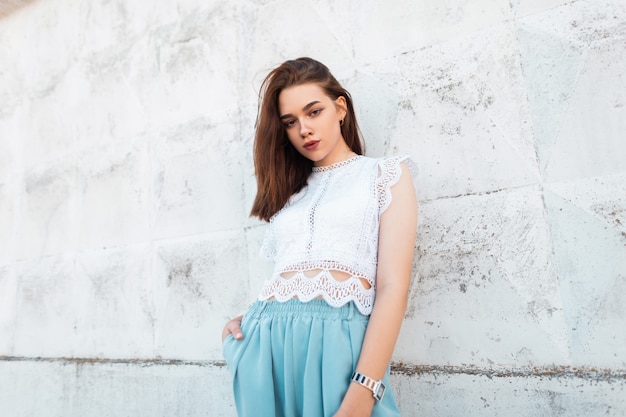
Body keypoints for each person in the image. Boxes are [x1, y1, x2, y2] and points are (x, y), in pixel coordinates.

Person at [221, 57, 418, 417]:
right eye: (290, 122)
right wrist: (240, 324)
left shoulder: (384, 175)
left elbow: (393, 287)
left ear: (340, 107)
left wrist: (365, 388)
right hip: (266, 352)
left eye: (314, 112)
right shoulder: (290, 195)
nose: (304, 130)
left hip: (342, 352)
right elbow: (292, 277)